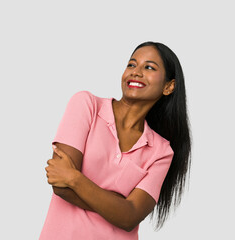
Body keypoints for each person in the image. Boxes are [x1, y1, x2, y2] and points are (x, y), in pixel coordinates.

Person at [40, 41, 191, 239]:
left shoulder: (162, 151)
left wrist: (75, 177)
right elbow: (60, 184)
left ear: (168, 86)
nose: (136, 72)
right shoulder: (87, 105)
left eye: (149, 67)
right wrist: (120, 205)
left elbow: (129, 219)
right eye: (131, 64)